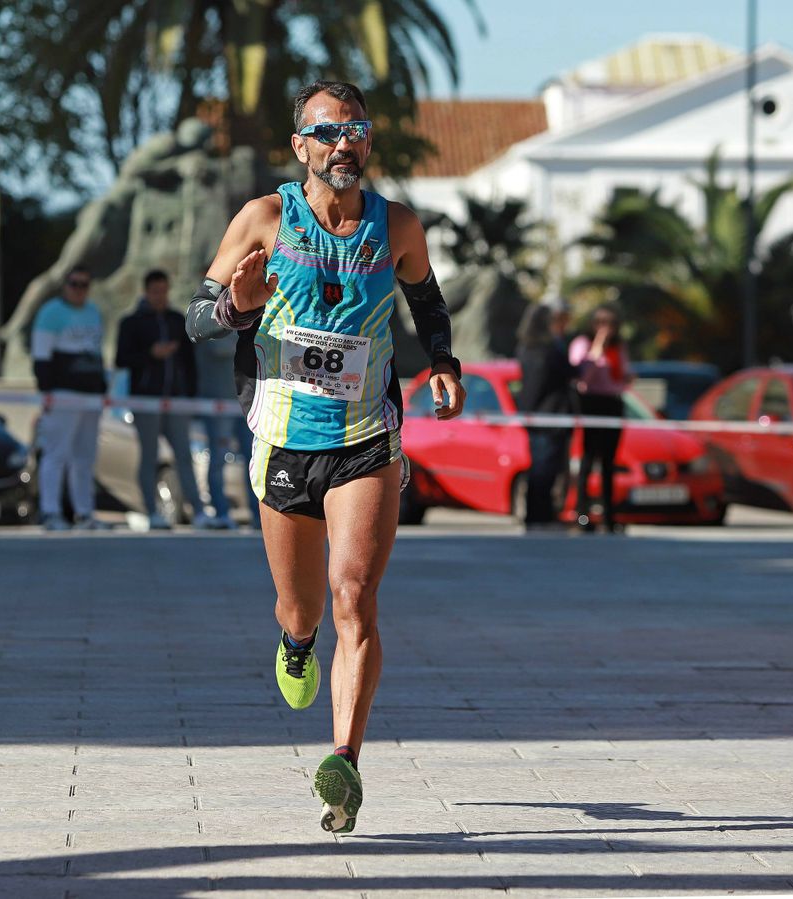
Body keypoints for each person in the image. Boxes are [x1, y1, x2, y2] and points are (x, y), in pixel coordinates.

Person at [184, 81, 465, 835]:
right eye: (329, 131)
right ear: (301, 144)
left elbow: (428, 301)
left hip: (366, 436)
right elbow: (196, 320)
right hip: (283, 437)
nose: (346, 143)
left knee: (355, 595)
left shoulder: (397, 223)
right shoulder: (265, 218)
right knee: (304, 605)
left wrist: (443, 361)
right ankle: (296, 642)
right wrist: (237, 305)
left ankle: (344, 759)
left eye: (358, 131)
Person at [116, 269, 213, 530]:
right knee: (149, 458)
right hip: (146, 401)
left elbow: (189, 364)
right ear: (146, 292)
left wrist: (189, 395)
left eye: (164, 291)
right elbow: (120, 359)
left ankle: (199, 512)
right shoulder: (132, 323)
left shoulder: (176, 320)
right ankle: (150, 512)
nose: (160, 296)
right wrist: (151, 354)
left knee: (184, 456)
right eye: (155, 291)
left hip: (176, 402)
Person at [31, 265, 111, 531]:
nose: (79, 290)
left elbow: (97, 354)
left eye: (84, 285)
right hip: (63, 395)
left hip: (91, 396)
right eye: (74, 284)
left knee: (85, 457)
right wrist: (47, 393)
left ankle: (84, 513)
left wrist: (102, 389)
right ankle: (50, 512)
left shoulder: (93, 312)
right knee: (56, 454)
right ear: (65, 285)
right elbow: (41, 358)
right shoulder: (50, 313)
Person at [194, 288, 254, 530]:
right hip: (218, 402)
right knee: (218, 459)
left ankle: (258, 516)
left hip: (245, 402)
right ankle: (220, 513)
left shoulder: (246, 312)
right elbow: (221, 346)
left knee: (254, 461)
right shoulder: (205, 314)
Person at [569, 303, 630, 533]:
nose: (607, 329)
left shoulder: (619, 348)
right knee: (588, 459)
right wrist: (597, 349)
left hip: (612, 404)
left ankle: (608, 515)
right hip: (591, 403)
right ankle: (582, 513)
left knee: (608, 462)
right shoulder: (582, 344)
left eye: (611, 324)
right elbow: (582, 378)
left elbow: (622, 376)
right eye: (601, 323)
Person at [515, 300, 575, 530]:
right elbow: (542, 383)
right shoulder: (545, 350)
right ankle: (538, 517)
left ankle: (541, 515)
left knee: (544, 469)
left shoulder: (529, 348)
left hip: (543, 417)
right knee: (543, 470)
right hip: (548, 417)